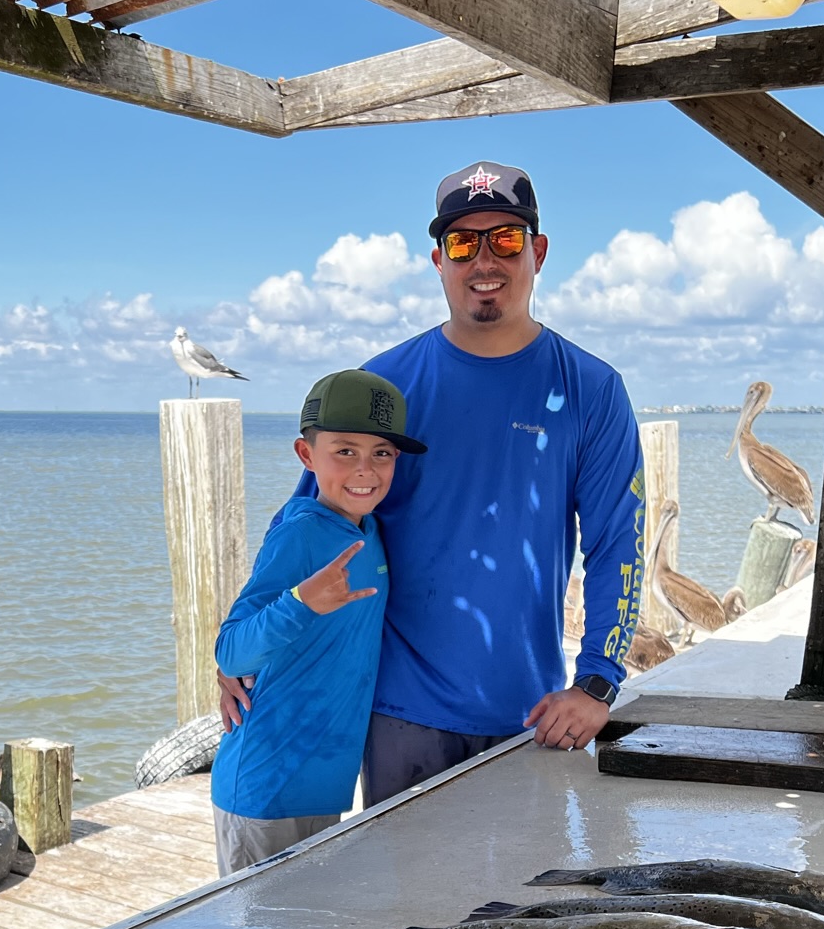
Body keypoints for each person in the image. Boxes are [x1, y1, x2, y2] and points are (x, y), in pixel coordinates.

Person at [221, 160, 645, 805]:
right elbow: (308, 528)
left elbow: (618, 542)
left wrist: (596, 683)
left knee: (530, 875)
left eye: (505, 239)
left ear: (538, 252)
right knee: (398, 876)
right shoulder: (384, 386)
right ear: (438, 260)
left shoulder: (592, 388)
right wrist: (237, 651)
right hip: (397, 711)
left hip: (532, 713)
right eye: (463, 243)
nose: (485, 260)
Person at [208, 369, 425, 876]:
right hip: (265, 785)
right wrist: (301, 601)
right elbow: (231, 652)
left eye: (382, 453)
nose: (365, 469)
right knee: (258, 926)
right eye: (344, 451)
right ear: (307, 455)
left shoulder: (370, 529)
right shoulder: (300, 534)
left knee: (310, 921)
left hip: (324, 785)